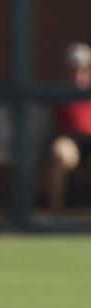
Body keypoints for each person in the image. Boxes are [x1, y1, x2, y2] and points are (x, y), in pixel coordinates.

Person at [46, 41, 91, 213]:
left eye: (84, 68)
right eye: (74, 68)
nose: (79, 73)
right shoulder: (60, 91)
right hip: (71, 140)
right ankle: (54, 213)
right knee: (60, 153)